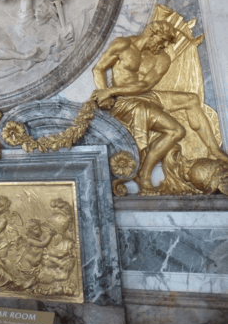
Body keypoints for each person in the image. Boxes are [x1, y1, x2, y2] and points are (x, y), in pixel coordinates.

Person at [92, 21, 228, 194]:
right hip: (123, 102)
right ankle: (145, 174)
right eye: (163, 41)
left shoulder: (162, 59)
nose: (165, 46)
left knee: (192, 100)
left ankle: (214, 149)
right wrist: (104, 95)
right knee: (176, 131)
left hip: (145, 96)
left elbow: (144, 84)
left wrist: (111, 90)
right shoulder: (122, 44)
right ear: (152, 32)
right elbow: (98, 69)